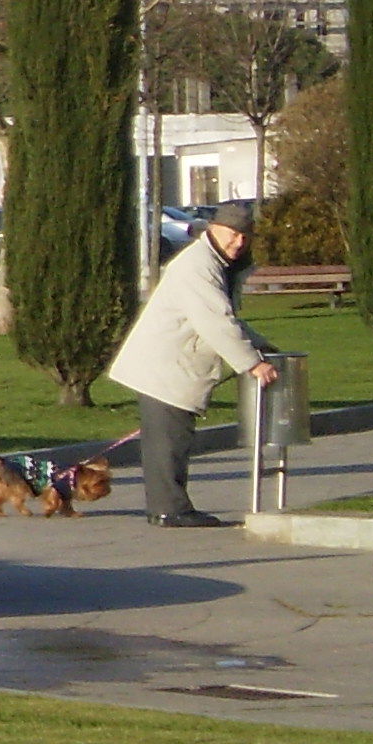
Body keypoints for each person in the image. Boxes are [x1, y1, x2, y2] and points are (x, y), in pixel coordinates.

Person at [106, 199, 282, 528]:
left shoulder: (215, 264)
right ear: (213, 229)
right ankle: (169, 510)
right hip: (164, 367)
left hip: (171, 366)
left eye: (245, 236)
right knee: (168, 444)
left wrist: (259, 344)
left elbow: (227, 319)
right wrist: (252, 364)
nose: (239, 241)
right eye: (232, 233)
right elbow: (215, 321)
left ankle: (170, 506)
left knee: (172, 441)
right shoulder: (197, 267)